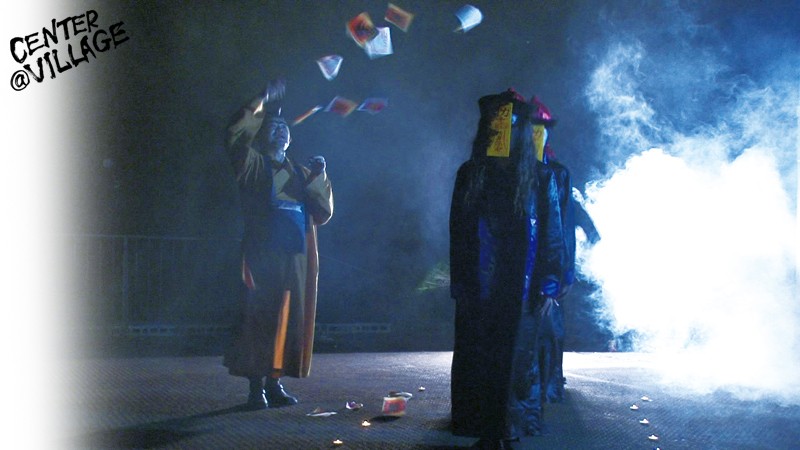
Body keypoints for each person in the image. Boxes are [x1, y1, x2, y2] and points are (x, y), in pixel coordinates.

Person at [449, 89, 565, 448]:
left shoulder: (540, 177)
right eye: (497, 124)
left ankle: (507, 428)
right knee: (480, 356)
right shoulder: (471, 174)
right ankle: (487, 429)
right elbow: (459, 234)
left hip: (522, 287)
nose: (502, 131)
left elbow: (552, 235)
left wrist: (549, 285)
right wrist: (461, 284)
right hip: (481, 285)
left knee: (516, 359)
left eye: (510, 124)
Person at [223, 80, 334, 410]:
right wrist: (261, 100)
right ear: (261, 134)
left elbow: (323, 212)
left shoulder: (300, 172)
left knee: (288, 317)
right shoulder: (253, 164)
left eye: (285, 127)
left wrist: (318, 176)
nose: (281, 130)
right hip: (262, 253)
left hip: (294, 255)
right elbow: (235, 136)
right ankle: (255, 388)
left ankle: (275, 382)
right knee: (258, 316)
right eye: (273, 126)